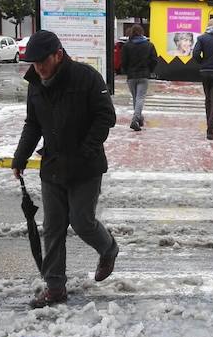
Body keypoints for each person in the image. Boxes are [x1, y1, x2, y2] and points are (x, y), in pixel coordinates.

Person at [12, 30, 118, 308]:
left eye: (42, 62)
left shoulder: (86, 77)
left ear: (58, 55)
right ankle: (55, 287)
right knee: (53, 227)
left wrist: (87, 149)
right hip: (53, 165)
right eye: (33, 64)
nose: (39, 69)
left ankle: (108, 248)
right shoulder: (35, 83)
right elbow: (33, 123)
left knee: (82, 222)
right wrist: (20, 157)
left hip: (86, 165)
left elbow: (106, 115)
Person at [120, 24, 158, 131]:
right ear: (142, 32)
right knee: (140, 98)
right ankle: (136, 119)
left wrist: (126, 71)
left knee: (136, 98)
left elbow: (123, 61)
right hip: (144, 75)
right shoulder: (149, 45)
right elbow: (154, 60)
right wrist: (150, 70)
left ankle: (138, 118)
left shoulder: (127, 45)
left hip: (131, 76)